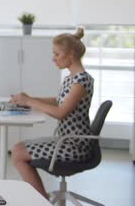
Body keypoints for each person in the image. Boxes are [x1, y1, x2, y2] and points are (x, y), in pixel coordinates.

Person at [10, 27, 93, 198]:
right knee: (18, 148)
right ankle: (42, 198)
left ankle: (42, 201)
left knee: (18, 152)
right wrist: (30, 98)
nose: (53, 59)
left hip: (74, 146)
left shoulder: (81, 81)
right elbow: (58, 100)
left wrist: (30, 102)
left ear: (70, 55)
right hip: (66, 140)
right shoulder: (71, 78)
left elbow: (61, 112)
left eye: (56, 54)